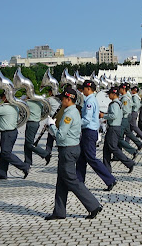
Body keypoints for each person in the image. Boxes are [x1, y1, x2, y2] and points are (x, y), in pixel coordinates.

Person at [43, 87, 103, 220]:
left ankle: (93, 205)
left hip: (67, 150)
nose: (61, 101)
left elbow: (60, 136)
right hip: (72, 148)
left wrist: (51, 125)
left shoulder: (68, 114)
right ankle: (59, 211)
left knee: (72, 180)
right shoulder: (74, 111)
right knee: (61, 182)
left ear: (69, 99)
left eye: (63, 98)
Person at [75, 80, 117, 191]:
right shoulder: (91, 99)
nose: (82, 90)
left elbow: (87, 119)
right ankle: (79, 182)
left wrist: (76, 123)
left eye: (83, 88)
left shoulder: (89, 101)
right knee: (81, 158)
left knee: (91, 159)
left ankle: (110, 179)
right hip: (88, 132)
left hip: (89, 132)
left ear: (88, 89)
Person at [0, 92, 30, 180]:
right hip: (12, 132)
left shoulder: (4, 108)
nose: (1, 99)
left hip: (7, 133)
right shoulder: (15, 107)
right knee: (3, 153)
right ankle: (2, 174)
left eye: (2, 97)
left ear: (6, 97)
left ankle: (24, 166)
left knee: (6, 153)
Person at [101, 86, 135, 173]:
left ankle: (129, 163)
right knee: (106, 150)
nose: (108, 95)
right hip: (114, 127)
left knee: (113, 148)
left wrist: (103, 116)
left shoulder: (114, 104)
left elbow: (114, 116)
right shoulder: (118, 103)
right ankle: (106, 169)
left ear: (113, 94)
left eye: (109, 94)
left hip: (113, 128)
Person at [23, 92, 49, 167]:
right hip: (36, 123)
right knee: (27, 143)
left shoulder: (27, 102)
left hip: (31, 123)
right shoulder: (39, 103)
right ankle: (28, 161)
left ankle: (45, 154)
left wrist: (24, 99)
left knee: (29, 143)